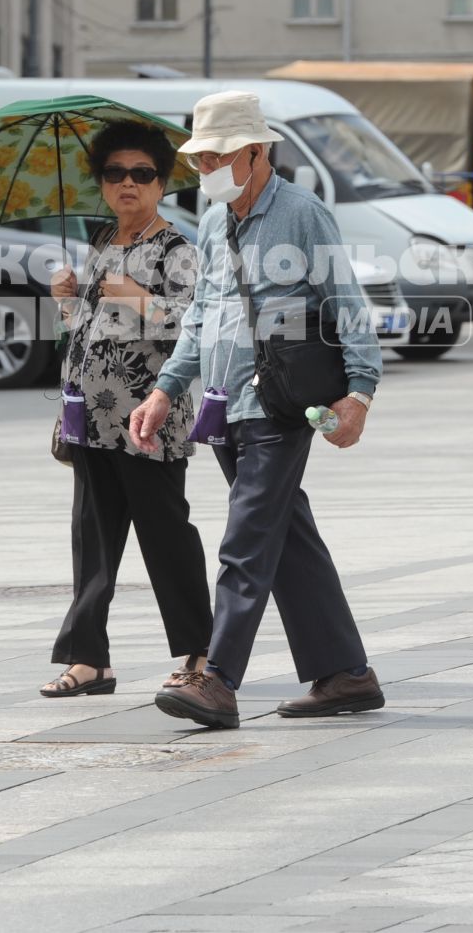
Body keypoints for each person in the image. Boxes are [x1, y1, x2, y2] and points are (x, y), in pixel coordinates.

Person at [130, 90, 384, 730]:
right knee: (286, 537)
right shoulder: (214, 222)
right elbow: (201, 317)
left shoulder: (304, 214)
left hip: (280, 405)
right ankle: (346, 674)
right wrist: (165, 389)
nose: (203, 167)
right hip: (222, 405)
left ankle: (216, 678)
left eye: (214, 155)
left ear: (254, 151)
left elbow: (348, 304)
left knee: (245, 541)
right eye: (196, 158)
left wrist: (359, 392)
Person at [42, 121, 212, 697]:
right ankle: (89, 660)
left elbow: (197, 325)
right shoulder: (100, 246)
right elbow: (88, 334)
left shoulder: (178, 248)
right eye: (115, 174)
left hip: (149, 422)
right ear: (102, 183)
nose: (128, 184)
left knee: (167, 538)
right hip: (90, 418)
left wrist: (138, 298)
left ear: (162, 183)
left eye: (142, 174)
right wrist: (66, 305)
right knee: (91, 539)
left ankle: (201, 654)